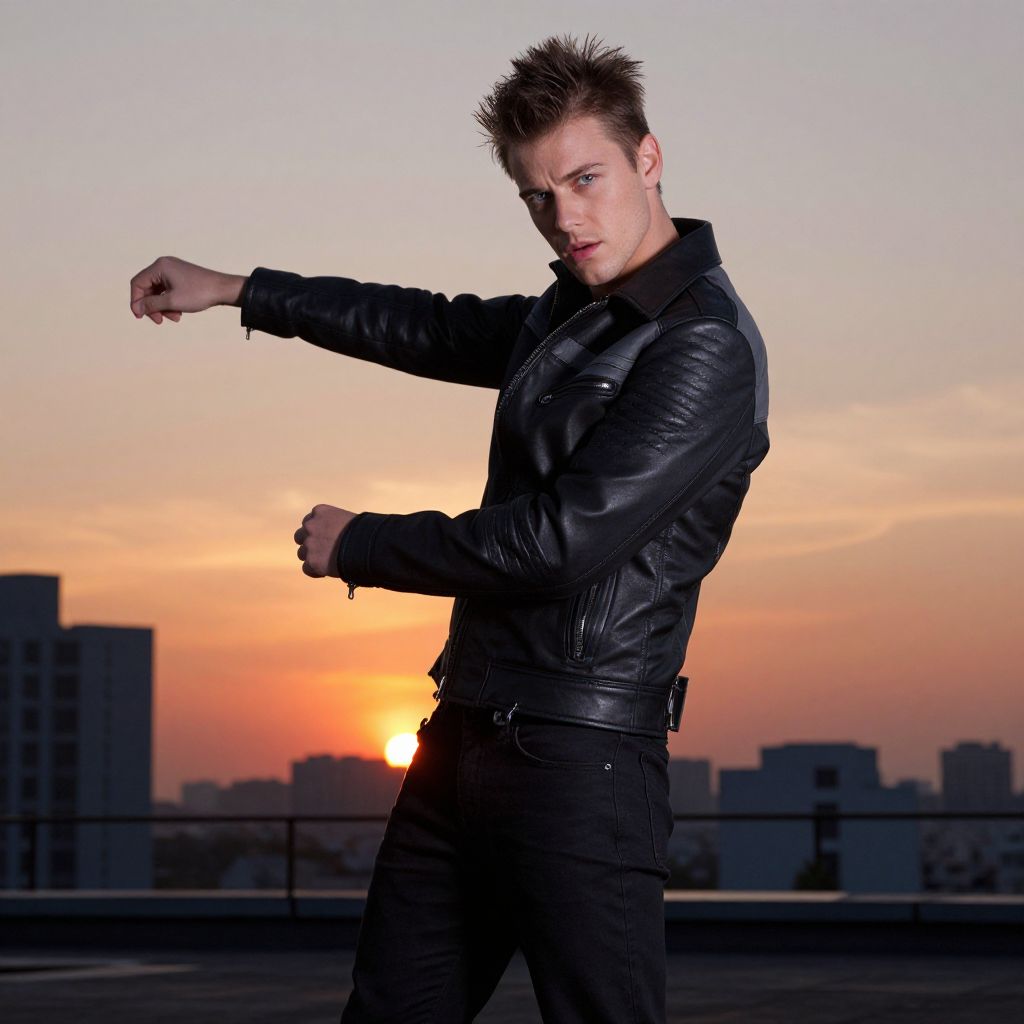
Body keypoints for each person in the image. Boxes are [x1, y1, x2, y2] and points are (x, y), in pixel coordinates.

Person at [130, 33, 769, 1024]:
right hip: (462, 735)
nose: (565, 218)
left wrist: (363, 543)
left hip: (578, 761)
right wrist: (238, 289)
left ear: (648, 158)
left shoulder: (700, 346)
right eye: (536, 196)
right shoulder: (574, 314)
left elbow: (558, 543)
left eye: (586, 178)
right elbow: (424, 324)